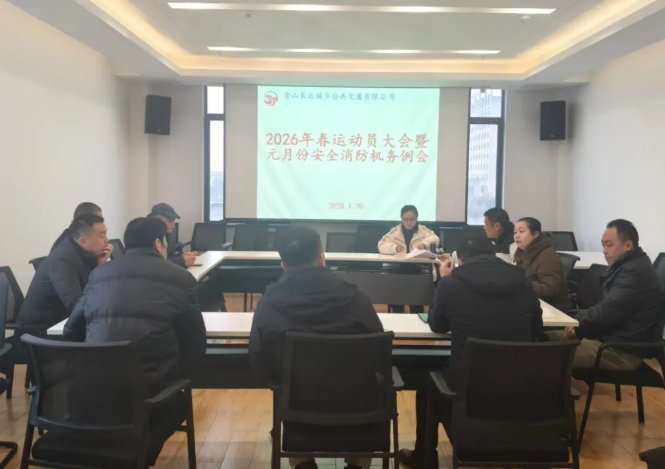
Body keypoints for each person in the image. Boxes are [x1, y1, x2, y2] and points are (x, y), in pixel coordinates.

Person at [399, 237, 543, 469]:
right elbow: (536, 330)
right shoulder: (523, 281)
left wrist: (443, 280)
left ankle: (424, 457)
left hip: (468, 385)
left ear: (460, 260)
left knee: (428, 382)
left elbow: (437, 324)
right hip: (519, 384)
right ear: (494, 256)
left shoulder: (452, 283)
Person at [250, 226, 383, 469]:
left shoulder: (269, 302)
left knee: (286, 394)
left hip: (297, 411)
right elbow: (379, 351)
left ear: (283, 265)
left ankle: (304, 464)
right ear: (322, 259)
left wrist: (280, 383)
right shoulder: (356, 298)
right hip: (359, 409)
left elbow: (259, 359)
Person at [64, 217, 206, 395]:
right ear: (157, 243)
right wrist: (187, 377)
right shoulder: (181, 277)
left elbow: (72, 329)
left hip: (98, 387)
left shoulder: (98, 274)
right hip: (154, 389)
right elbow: (194, 338)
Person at [549, 219, 664, 371]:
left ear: (628, 245)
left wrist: (578, 328)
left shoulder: (635, 273)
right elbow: (606, 308)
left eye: (609, 245)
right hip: (609, 337)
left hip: (621, 351)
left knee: (545, 353)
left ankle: (558, 385)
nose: (604, 250)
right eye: (603, 245)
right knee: (545, 338)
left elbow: (609, 311)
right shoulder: (627, 266)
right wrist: (577, 320)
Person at [18, 214, 112, 337]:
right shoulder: (62, 260)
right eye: (102, 235)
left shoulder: (86, 253)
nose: (107, 240)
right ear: (84, 241)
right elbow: (75, 305)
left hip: (63, 322)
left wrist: (99, 266)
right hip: (39, 332)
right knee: (107, 332)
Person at [513, 217, 571, 311]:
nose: (517, 236)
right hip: (531, 301)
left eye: (521, 231)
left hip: (550, 307)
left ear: (535, 234)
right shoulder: (523, 252)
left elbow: (549, 289)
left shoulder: (548, 257)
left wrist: (519, 283)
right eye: (515, 232)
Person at [149, 203, 197, 267]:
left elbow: (169, 256)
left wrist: (183, 256)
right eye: (169, 220)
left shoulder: (168, 233)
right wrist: (182, 260)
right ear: (156, 219)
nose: (173, 224)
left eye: (173, 220)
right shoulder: (147, 235)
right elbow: (153, 263)